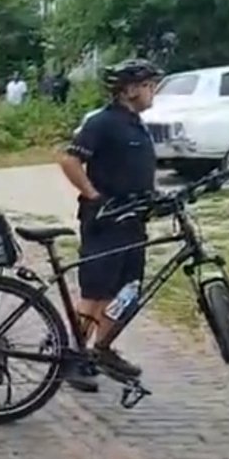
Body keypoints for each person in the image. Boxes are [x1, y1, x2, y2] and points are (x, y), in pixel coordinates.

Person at [58, 58, 164, 392]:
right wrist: (92, 195)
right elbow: (69, 159)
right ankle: (73, 357)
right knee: (95, 293)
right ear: (129, 90)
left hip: (133, 221)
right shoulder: (102, 122)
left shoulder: (136, 123)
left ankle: (102, 349)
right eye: (148, 86)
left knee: (128, 291)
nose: (152, 92)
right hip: (105, 223)